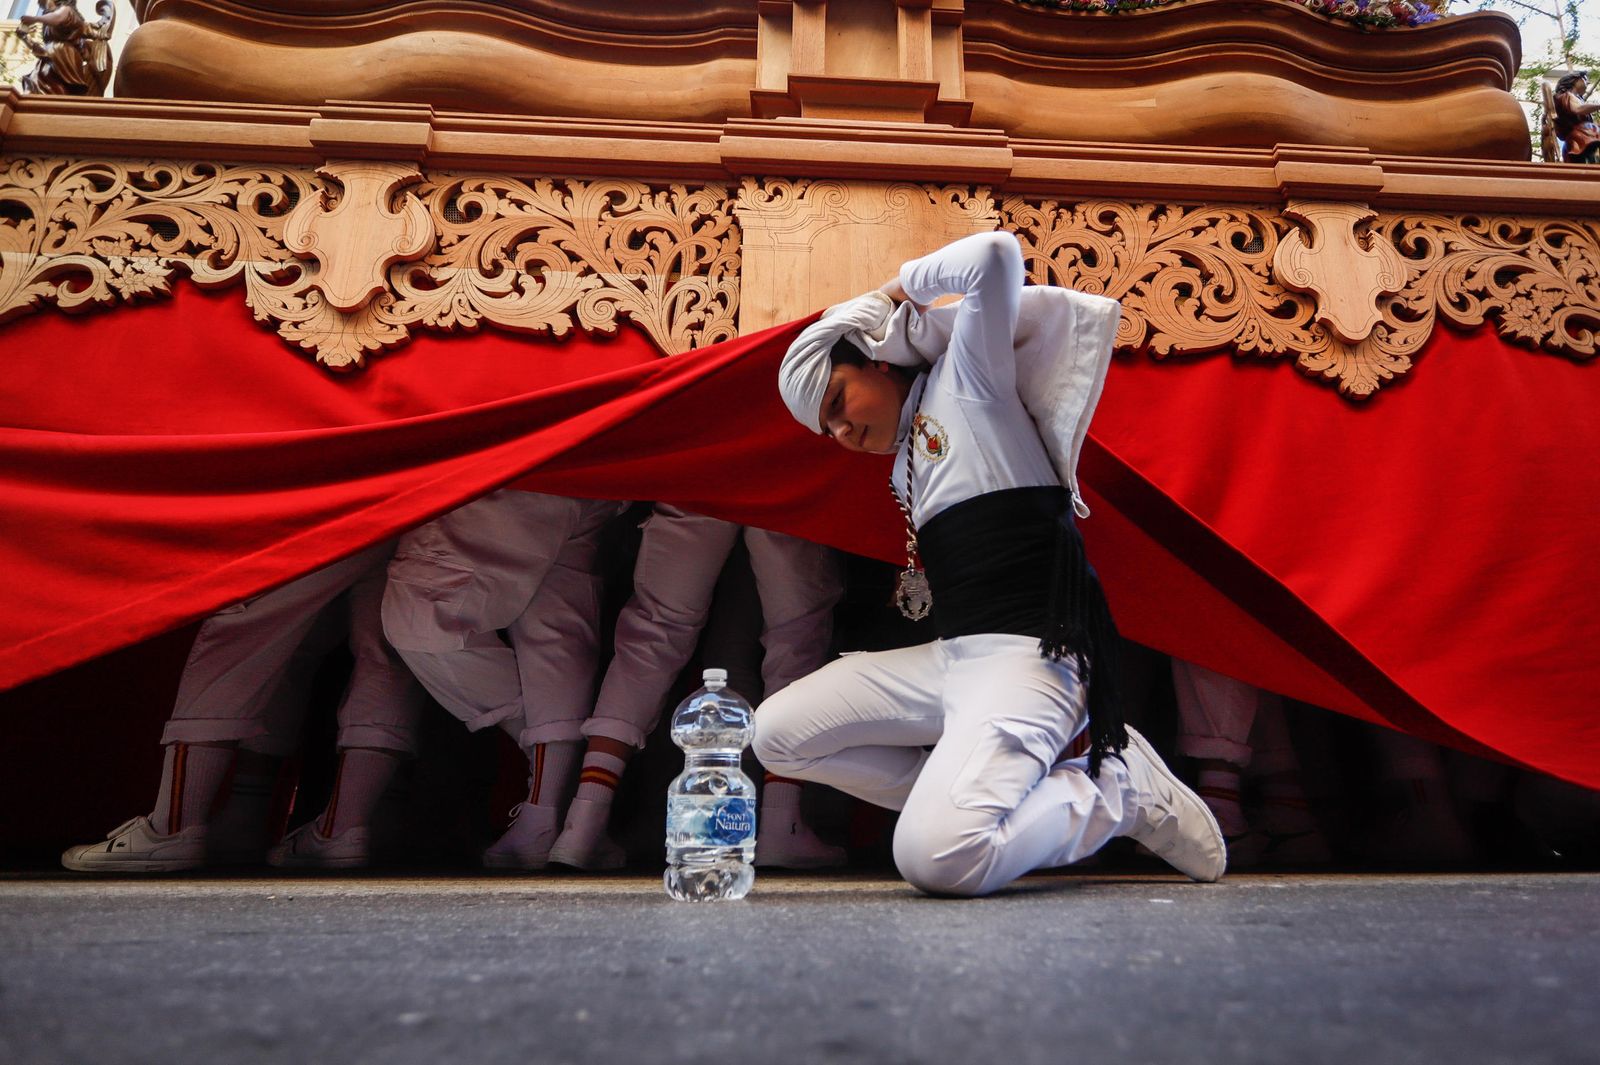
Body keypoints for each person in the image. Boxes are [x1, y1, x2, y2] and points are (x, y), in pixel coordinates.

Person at [758, 230, 1226, 897]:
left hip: (1033, 660)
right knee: (775, 734)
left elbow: (995, 257)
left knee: (936, 862)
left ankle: (1113, 784)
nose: (840, 433)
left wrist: (883, 297)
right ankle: (989, 794)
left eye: (837, 402)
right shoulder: (905, 462)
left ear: (877, 361)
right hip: (955, 661)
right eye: (826, 430)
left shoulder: (967, 381)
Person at [62, 543, 431, 872]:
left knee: (244, 631)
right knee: (377, 651)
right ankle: (332, 827)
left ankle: (173, 827)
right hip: (411, 497)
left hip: (336, 495)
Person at [545, 505, 848, 870]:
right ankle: (782, 822)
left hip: (703, 468)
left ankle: (583, 823)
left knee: (653, 635)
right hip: (783, 466)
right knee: (795, 636)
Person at [381, 490, 627, 869]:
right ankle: (549, 812)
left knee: (423, 620)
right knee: (555, 634)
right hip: (591, 467)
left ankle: (554, 804)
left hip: (518, 461)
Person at [1553, 71, 1600, 164]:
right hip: (1583, 136)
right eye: (1585, 79)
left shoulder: (1576, 98)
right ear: (1575, 80)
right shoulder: (1566, 96)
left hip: (1586, 133)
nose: (1587, 82)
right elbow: (1578, 109)